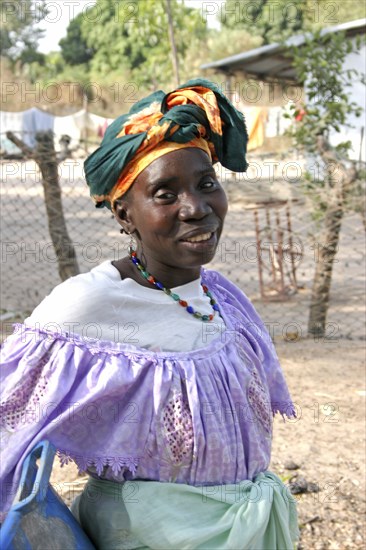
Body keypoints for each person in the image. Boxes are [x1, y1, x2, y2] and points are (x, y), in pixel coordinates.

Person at [0, 78, 299, 549]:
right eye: (165, 194)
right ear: (124, 213)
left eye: (206, 184)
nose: (197, 208)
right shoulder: (91, 306)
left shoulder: (222, 297)